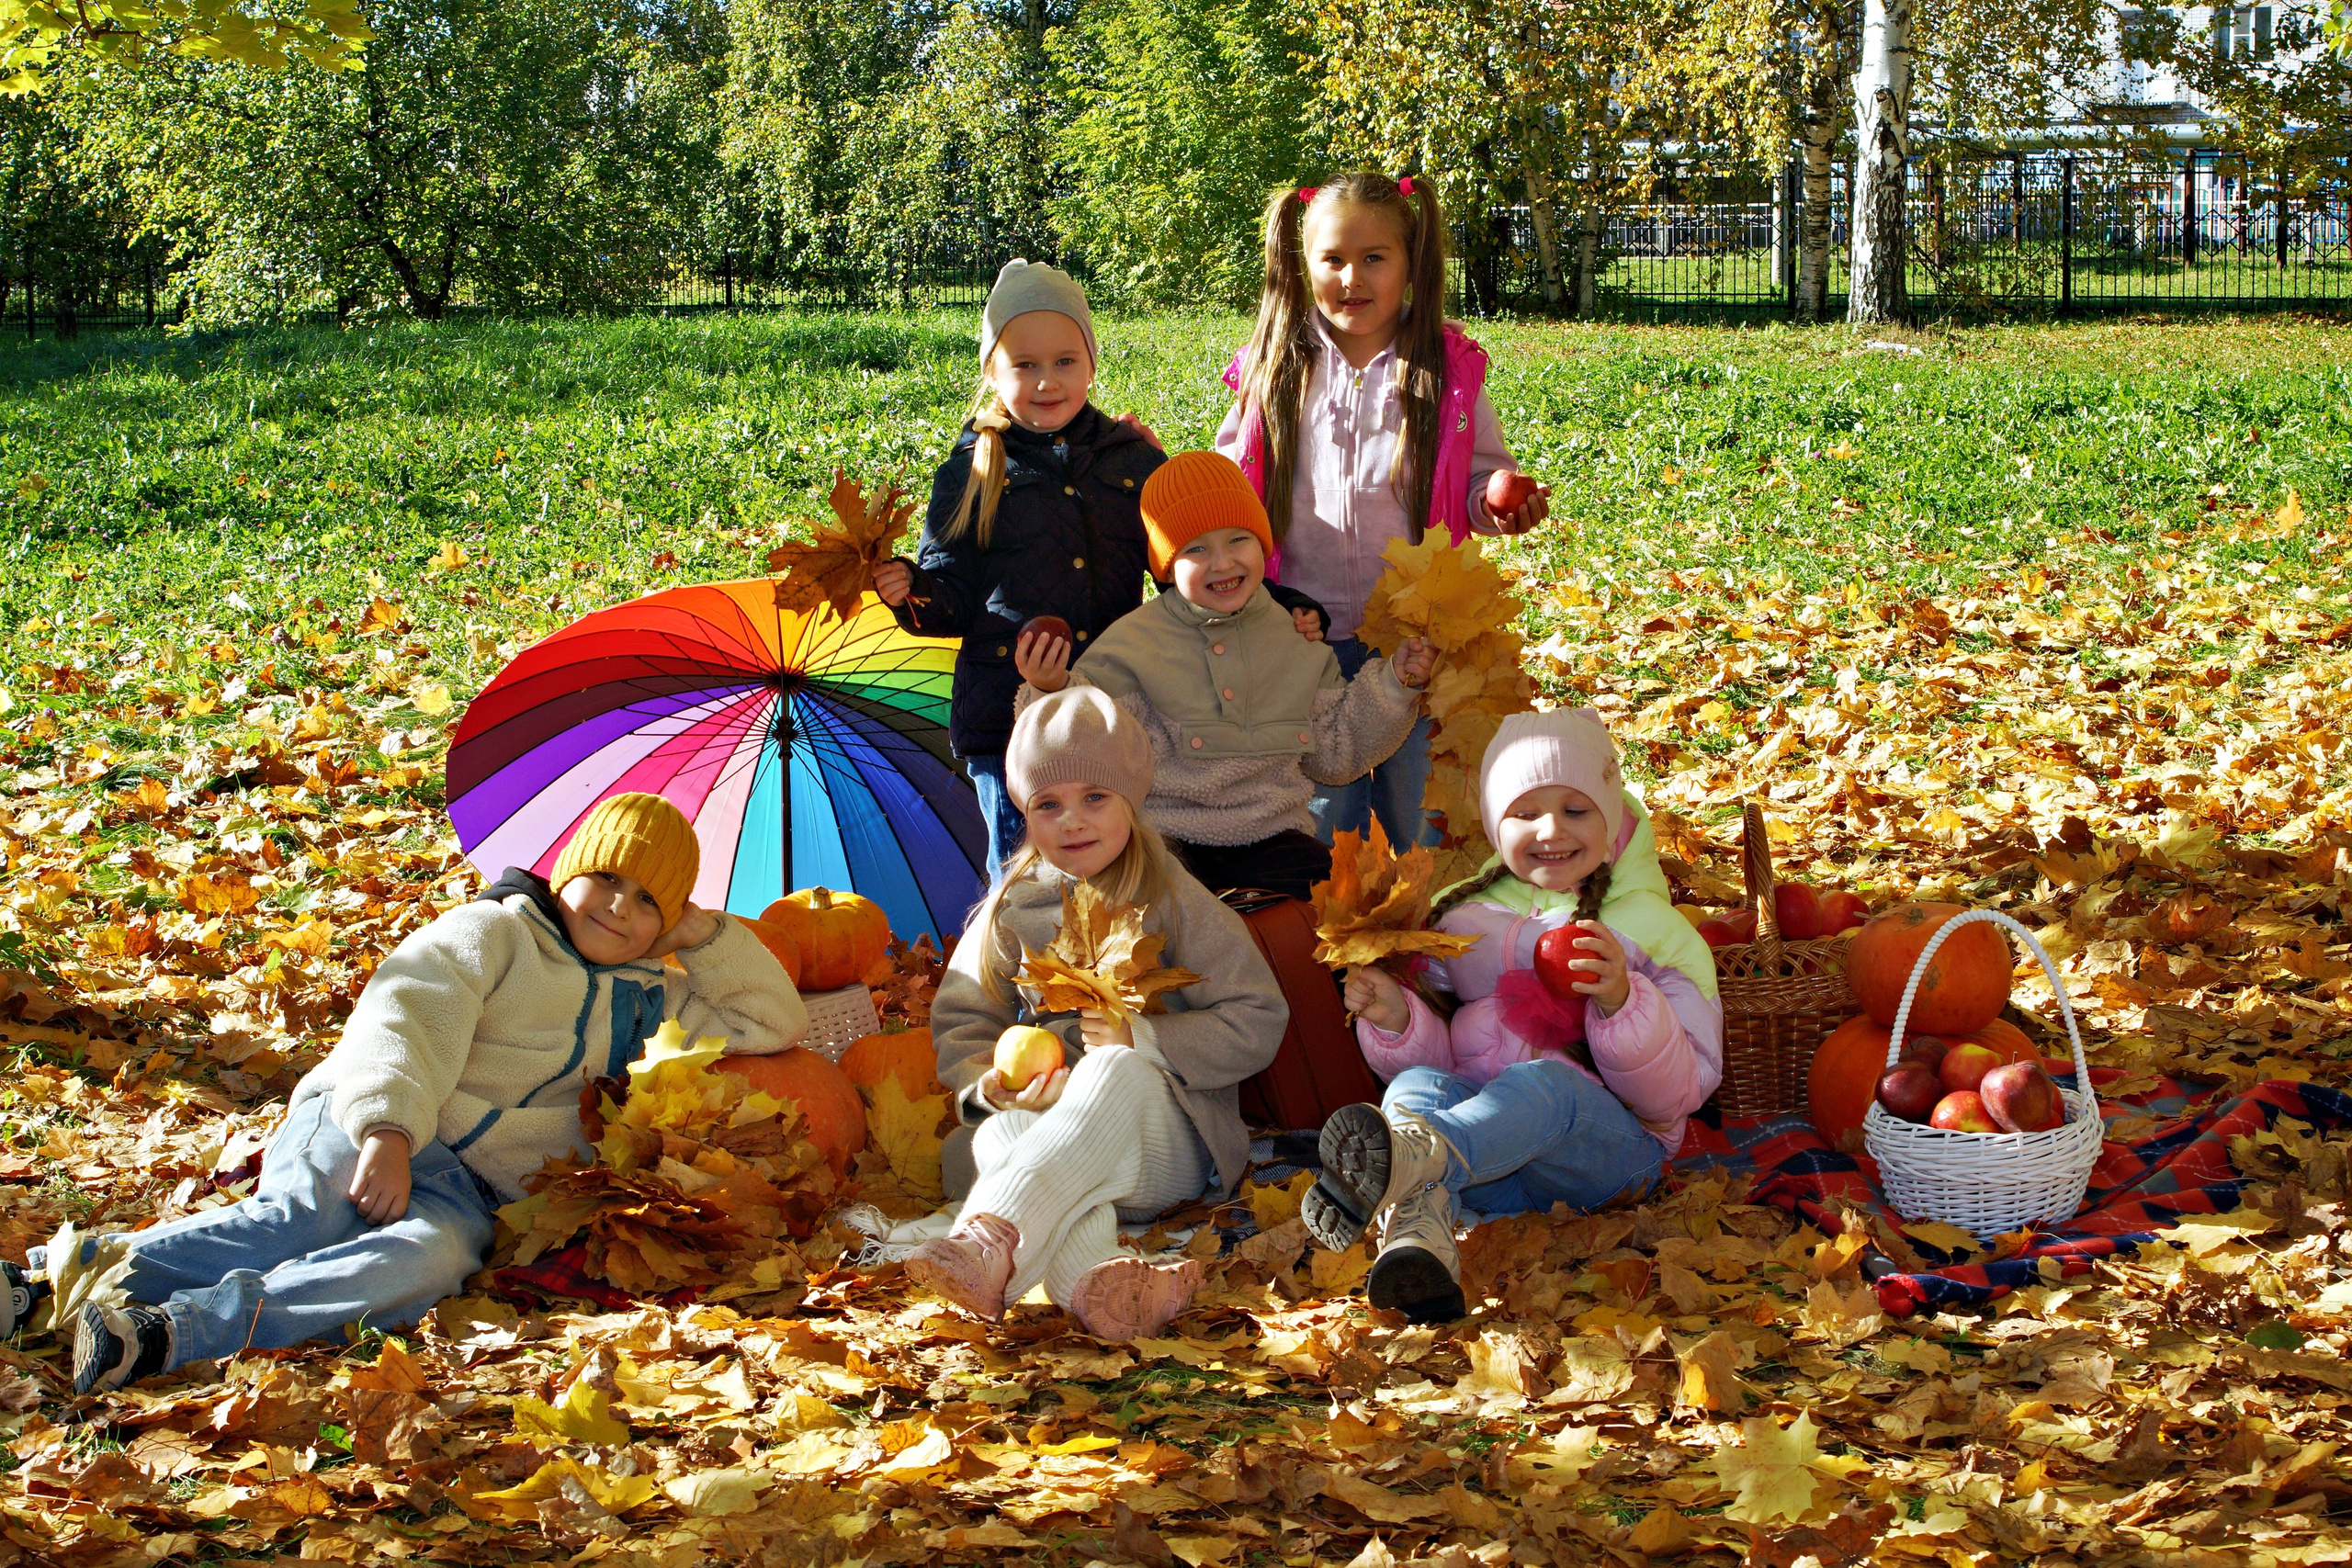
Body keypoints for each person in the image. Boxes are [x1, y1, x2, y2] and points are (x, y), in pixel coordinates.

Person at [9, 794, 806, 1393]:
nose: (618, 905)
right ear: (568, 871)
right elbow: (406, 1016)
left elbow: (773, 1021)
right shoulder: (495, 932)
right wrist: (388, 1130)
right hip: (369, 1114)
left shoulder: (654, 995)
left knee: (429, 1260)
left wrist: (706, 937)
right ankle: (42, 1282)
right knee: (305, 1216)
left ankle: (164, 1335)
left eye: (649, 900)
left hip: (471, 1187)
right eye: (604, 877)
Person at [1299, 710, 1723, 1323]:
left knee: (1545, 1084)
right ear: (1496, 823)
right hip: (1489, 1161)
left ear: (1610, 814)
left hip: (1606, 1159)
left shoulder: (1655, 931)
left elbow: (1679, 1093)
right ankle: (1418, 1244)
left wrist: (1619, 1002)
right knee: (1416, 1085)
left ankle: (1414, 1160)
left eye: (1575, 809)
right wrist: (1399, 1021)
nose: (1551, 829)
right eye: (1525, 812)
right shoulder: (1465, 919)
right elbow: (1449, 1065)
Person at [904, 688, 1287, 1340]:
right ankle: (1097, 1283)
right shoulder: (1012, 906)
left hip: (1163, 1140)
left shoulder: (1170, 895)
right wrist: (992, 1087)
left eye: (1095, 797)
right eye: (1048, 805)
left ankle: (992, 1233)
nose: (1073, 821)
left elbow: (1258, 1016)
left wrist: (1143, 1037)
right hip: (1054, 1144)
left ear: (1132, 801)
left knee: (1113, 1067)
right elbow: (963, 1019)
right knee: (1004, 1128)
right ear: (1024, 813)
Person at [1217, 172, 1552, 852]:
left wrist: (1494, 498)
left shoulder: (1445, 371)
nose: (1352, 278)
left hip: (1418, 637)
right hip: (1304, 637)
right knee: (1324, 817)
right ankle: (1336, 913)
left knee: (1420, 804)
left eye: (1374, 257)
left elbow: (1479, 476)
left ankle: (1426, 911)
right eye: (1333, 259)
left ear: (1410, 263)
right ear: (1303, 264)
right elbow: (1230, 484)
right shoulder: (1275, 368)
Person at [1014, 451, 1433, 902]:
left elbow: (1337, 752)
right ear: (1166, 566)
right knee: (1155, 910)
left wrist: (1394, 686)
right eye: (1196, 549)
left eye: (1238, 540)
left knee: (1328, 905)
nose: (1222, 563)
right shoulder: (1129, 647)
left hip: (1274, 837)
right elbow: (1080, 747)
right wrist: (1050, 688)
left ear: (1262, 544)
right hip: (1165, 840)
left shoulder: (1295, 638)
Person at [875, 259, 1164, 878]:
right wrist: (914, 591)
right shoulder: (972, 470)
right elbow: (951, 597)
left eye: (1064, 361)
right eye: (1024, 364)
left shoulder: (1131, 459)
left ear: (1091, 364)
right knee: (1025, 877)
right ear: (993, 371)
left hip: (1108, 707)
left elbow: (1179, 571)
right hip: (1008, 720)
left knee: (1116, 870)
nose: (1046, 381)